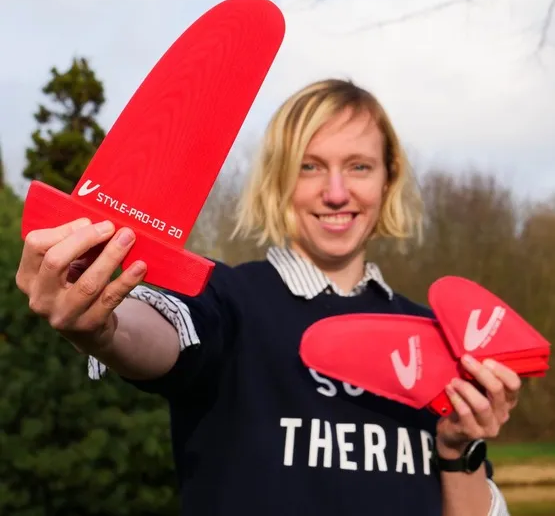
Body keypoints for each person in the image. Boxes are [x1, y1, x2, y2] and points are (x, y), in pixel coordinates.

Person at [16, 78, 519, 515]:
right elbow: (156, 330)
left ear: (388, 180)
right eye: (310, 166)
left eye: (359, 167)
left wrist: (458, 449)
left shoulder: (435, 338)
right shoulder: (226, 300)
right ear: (278, 180)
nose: (336, 192)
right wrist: (101, 324)